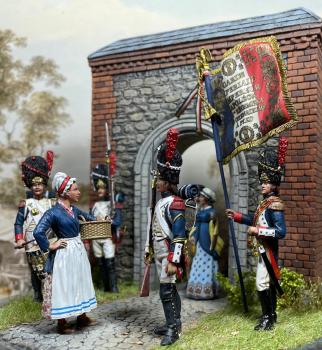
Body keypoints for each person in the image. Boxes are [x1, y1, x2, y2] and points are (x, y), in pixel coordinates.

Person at [226, 144, 287, 331]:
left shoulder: (275, 205)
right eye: (262, 181)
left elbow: (280, 232)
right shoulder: (265, 203)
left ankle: (268, 317)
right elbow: (254, 219)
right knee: (265, 282)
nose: (262, 184)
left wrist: (257, 231)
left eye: (266, 181)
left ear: (274, 184)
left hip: (268, 250)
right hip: (261, 249)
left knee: (262, 283)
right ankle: (271, 315)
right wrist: (236, 216)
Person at [33, 172, 97, 334]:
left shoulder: (73, 210)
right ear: (65, 193)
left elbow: (88, 217)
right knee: (65, 284)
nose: (78, 192)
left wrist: (101, 217)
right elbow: (38, 231)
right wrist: (50, 245)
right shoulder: (53, 212)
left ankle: (82, 316)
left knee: (80, 280)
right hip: (64, 254)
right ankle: (62, 322)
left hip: (78, 251)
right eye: (75, 189)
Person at [144, 128, 186, 346]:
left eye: (159, 178)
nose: (156, 182)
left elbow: (179, 236)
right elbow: (152, 229)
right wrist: (148, 250)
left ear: (168, 181)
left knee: (166, 292)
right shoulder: (159, 202)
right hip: (159, 253)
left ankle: (173, 328)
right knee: (169, 290)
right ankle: (175, 322)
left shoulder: (175, 203)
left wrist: (173, 259)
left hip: (168, 256)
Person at [14, 152, 56, 302]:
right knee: (34, 270)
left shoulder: (52, 202)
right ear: (29, 185)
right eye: (34, 184)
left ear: (44, 184)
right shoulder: (25, 204)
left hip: (49, 241)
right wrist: (19, 239)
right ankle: (37, 295)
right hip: (31, 242)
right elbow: (18, 223)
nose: (37, 187)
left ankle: (51, 294)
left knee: (50, 268)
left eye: (39, 184)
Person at [87, 164, 124, 293]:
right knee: (101, 263)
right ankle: (105, 286)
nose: (100, 191)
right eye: (98, 188)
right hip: (96, 237)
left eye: (103, 188)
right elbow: (90, 218)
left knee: (110, 263)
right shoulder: (95, 205)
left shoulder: (113, 204)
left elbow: (118, 221)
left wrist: (110, 221)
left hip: (108, 237)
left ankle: (114, 287)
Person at [186, 187, 222, 300]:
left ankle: (208, 290)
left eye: (201, 196)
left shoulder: (211, 212)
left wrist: (198, 213)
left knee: (208, 264)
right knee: (197, 263)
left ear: (206, 199)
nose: (199, 198)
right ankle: (196, 290)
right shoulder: (200, 211)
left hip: (208, 243)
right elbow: (196, 224)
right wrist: (192, 238)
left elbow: (206, 218)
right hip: (199, 243)